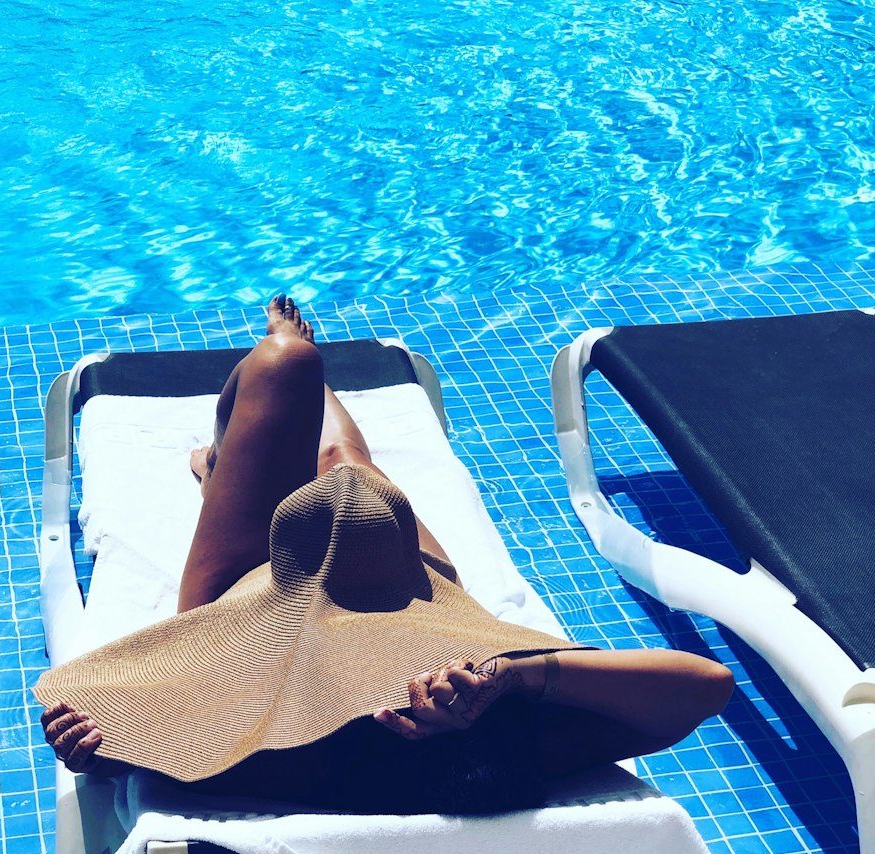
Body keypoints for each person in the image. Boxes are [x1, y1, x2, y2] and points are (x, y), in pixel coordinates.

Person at [38, 294, 733, 815]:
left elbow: (129, 748)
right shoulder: (529, 742)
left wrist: (94, 754)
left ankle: (223, 468)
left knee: (286, 364)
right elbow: (705, 684)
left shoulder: (281, 761)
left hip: (249, 592)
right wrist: (514, 679)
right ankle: (279, 454)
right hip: (408, 582)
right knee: (345, 464)